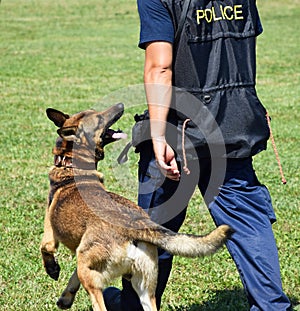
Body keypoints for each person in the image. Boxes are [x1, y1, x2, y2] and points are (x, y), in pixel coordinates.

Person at [104, 0, 292, 310]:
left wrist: (158, 132)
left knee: (153, 231)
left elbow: (160, 65)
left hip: (180, 132)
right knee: (248, 224)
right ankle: (273, 306)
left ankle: (135, 307)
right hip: (233, 126)